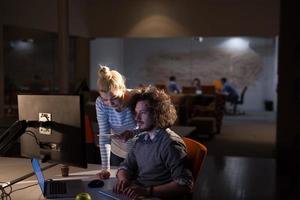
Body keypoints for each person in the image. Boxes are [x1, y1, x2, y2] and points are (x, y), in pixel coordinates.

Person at [113, 86, 193, 200]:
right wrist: (123, 180)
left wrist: (147, 191)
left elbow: (185, 184)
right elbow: (126, 166)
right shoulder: (142, 138)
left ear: (157, 113)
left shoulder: (171, 144)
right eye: (136, 113)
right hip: (138, 192)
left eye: (143, 113)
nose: (137, 118)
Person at [96, 65, 139, 179]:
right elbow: (104, 136)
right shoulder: (100, 103)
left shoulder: (135, 97)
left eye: (114, 98)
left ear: (122, 89)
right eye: (105, 99)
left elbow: (148, 127)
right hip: (117, 151)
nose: (110, 103)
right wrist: (105, 168)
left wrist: (131, 133)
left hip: (139, 152)